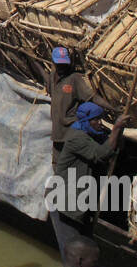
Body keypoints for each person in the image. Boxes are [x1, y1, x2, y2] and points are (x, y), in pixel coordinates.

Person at [50, 102, 129, 257]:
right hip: (65, 204)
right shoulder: (76, 137)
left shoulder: (93, 135)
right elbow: (101, 153)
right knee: (73, 254)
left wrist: (117, 135)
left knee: (84, 251)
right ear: (87, 121)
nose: (100, 123)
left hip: (81, 204)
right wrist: (117, 128)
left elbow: (112, 147)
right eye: (96, 119)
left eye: (101, 119)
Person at [47, 47, 109, 164]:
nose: (62, 67)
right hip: (57, 134)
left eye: (64, 64)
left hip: (71, 132)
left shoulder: (74, 79)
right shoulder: (52, 77)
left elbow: (93, 97)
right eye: (59, 64)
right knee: (57, 166)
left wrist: (112, 108)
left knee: (73, 167)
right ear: (53, 62)